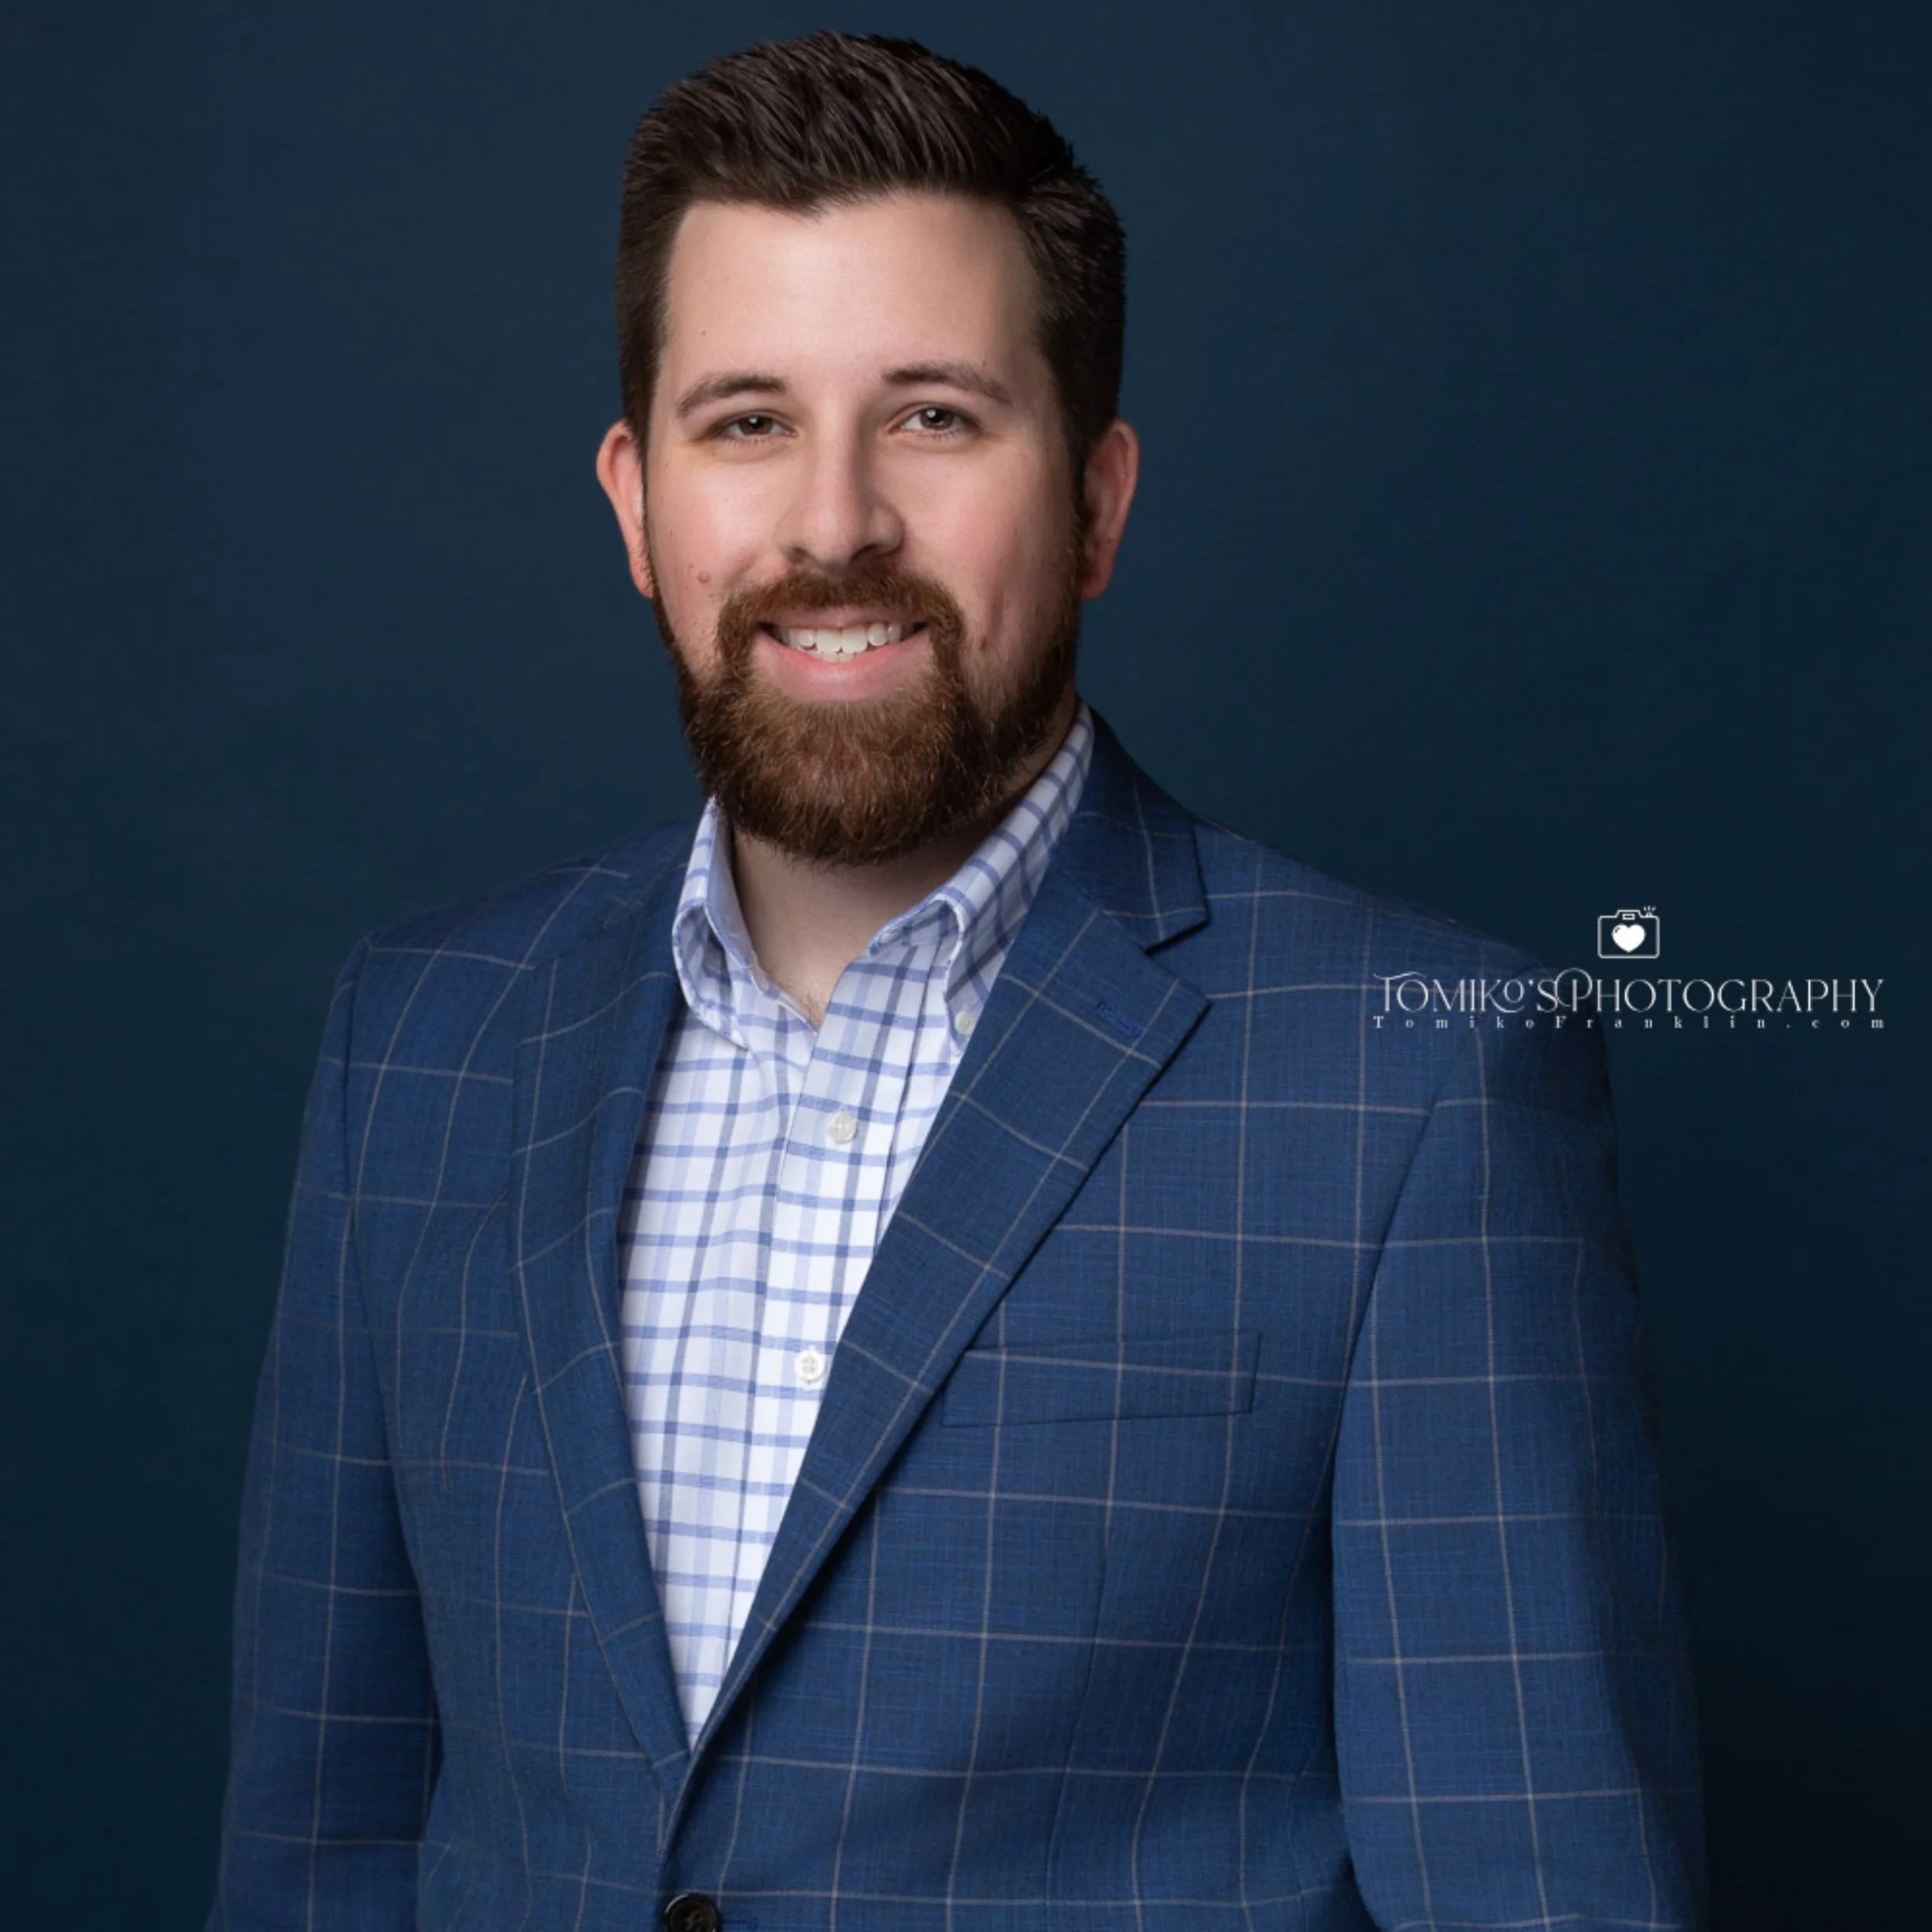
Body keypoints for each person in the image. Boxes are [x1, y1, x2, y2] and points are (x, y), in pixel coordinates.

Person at [206, 31, 1704, 1932]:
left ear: (1095, 498)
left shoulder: (1414, 1085)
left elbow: (1536, 1891)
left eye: (931, 414)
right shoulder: (420, 1045)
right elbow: (321, 1848)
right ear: (635, 503)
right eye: (746, 421)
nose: (833, 521)